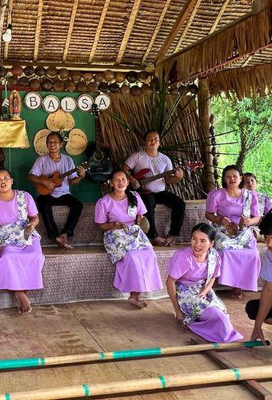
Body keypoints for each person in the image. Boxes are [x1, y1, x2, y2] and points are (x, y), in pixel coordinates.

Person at [94, 171, 164, 309]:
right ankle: (134, 295)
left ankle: (137, 294)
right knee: (132, 257)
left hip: (134, 232)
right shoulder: (104, 202)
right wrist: (113, 225)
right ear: (111, 183)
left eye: (124, 179)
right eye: (117, 180)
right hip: (115, 234)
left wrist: (140, 219)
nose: (121, 182)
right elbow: (101, 225)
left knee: (149, 254)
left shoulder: (134, 196)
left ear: (127, 182)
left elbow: (140, 215)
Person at [166, 223, 242, 343]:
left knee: (222, 311)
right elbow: (170, 282)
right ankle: (220, 335)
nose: (197, 245)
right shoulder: (183, 257)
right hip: (185, 292)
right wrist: (177, 311)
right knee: (216, 316)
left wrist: (205, 291)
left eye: (203, 241)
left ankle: (217, 330)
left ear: (211, 244)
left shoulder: (214, 256)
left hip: (202, 289)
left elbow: (212, 277)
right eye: (194, 239)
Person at [0, 168, 43, 315]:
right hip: (6, 238)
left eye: (5, 178)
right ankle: (21, 294)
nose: (2, 181)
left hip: (26, 234)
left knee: (35, 256)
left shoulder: (25, 196)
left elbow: (35, 217)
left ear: (11, 181)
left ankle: (20, 292)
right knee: (8, 256)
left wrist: (32, 225)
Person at [205, 165, 261, 299]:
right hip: (223, 228)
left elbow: (257, 217)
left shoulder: (249, 195)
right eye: (228, 176)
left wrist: (249, 222)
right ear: (224, 179)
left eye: (235, 176)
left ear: (241, 178)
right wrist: (219, 219)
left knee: (253, 254)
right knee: (224, 249)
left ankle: (239, 285)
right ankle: (230, 283)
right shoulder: (216, 194)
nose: (232, 179)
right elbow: (208, 214)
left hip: (243, 230)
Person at [122, 130, 185, 246]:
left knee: (180, 204)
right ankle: (154, 236)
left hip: (160, 192)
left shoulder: (165, 159)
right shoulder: (137, 156)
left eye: (156, 139)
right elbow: (124, 170)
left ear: (159, 143)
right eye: (150, 139)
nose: (153, 141)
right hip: (143, 192)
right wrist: (132, 179)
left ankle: (173, 234)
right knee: (149, 203)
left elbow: (168, 180)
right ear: (145, 142)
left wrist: (178, 177)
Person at [28, 132, 85, 250]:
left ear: (61, 144)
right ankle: (54, 236)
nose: (52, 144)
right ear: (46, 144)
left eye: (55, 142)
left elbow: (71, 182)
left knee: (78, 205)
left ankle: (64, 234)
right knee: (44, 204)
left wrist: (81, 176)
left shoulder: (68, 160)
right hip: (46, 194)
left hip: (64, 194)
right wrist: (43, 182)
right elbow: (31, 176)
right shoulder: (42, 160)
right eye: (49, 142)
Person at [247, 211, 272, 343]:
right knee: (253, 308)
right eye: (267, 238)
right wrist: (257, 326)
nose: (269, 244)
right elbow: (269, 290)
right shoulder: (270, 253)